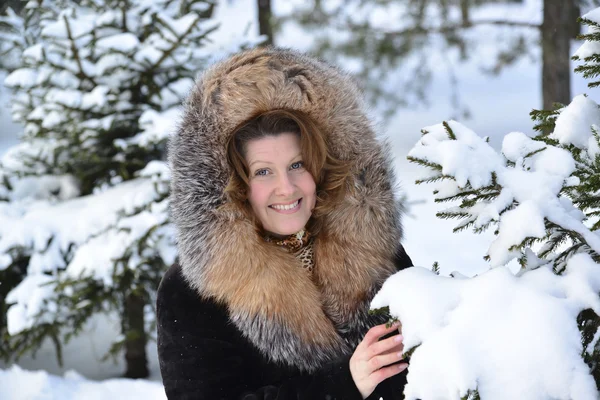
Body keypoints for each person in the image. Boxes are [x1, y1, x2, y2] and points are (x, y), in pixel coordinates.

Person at [157, 47, 413, 399]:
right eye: (263, 172)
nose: (286, 187)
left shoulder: (376, 252)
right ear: (236, 188)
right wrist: (343, 384)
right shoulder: (190, 294)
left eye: (297, 165)